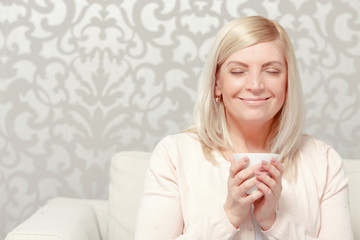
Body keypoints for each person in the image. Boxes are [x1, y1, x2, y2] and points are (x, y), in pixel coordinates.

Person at [134, 16, 353, 239]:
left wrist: (273, 221)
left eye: (272, 71)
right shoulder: (174, 155)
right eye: (238, 71)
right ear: (217, 83)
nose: (255, 85)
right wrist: (229, 215)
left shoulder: (324, 161)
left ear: (288, 84)